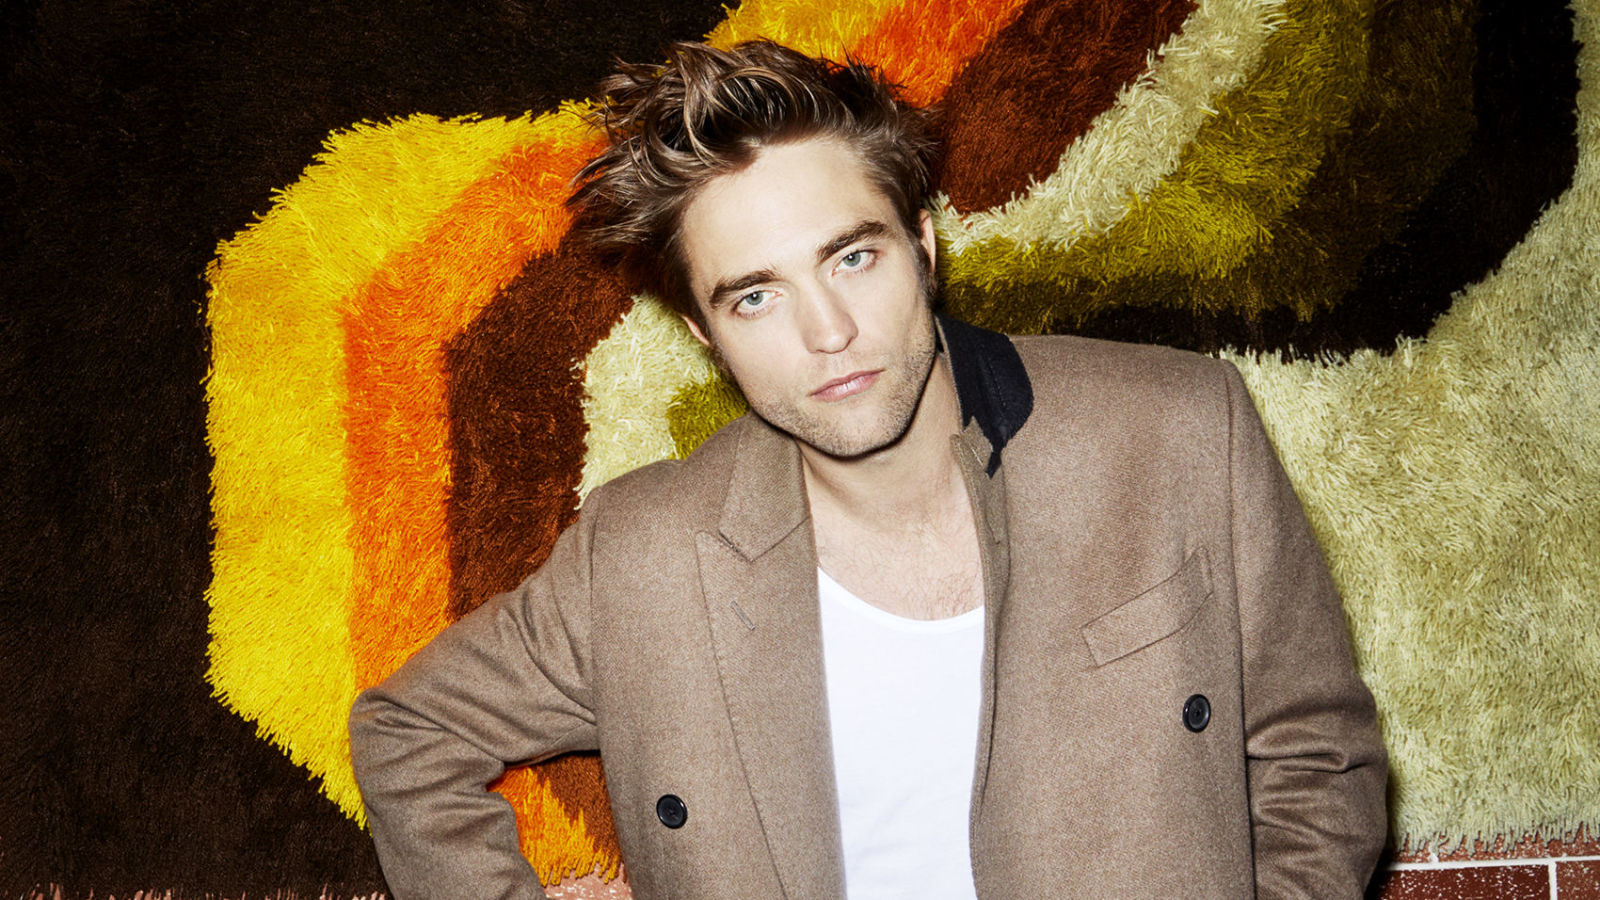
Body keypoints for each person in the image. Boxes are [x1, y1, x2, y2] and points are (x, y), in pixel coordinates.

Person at [349, 40, 1387, 899]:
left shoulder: (1176, 432)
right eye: (755, 296)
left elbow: (1317, 757)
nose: (828, 331)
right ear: (706, 334)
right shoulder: (642, 556)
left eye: (852, 256)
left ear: (922, 245)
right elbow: (408, 731)